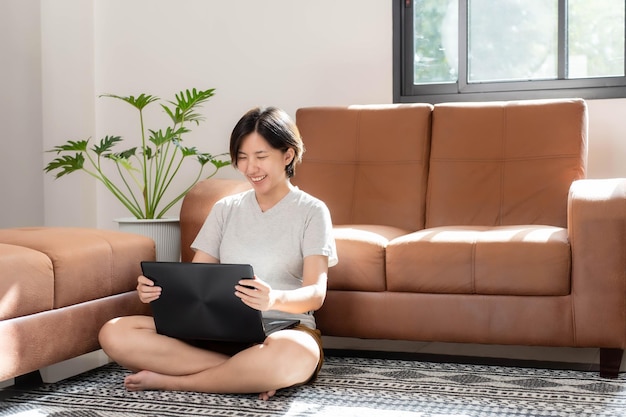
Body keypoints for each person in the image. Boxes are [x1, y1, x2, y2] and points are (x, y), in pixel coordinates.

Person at [98, 106, 338, 401]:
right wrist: (161, 291)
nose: (251, 168)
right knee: (115, 332)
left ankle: (174, 381)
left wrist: (274, 298)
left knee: (293, 355)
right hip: (219, 330)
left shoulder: (311, 211)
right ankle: (246, 375)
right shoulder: (226, 209)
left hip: (283, 331)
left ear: (287, 155)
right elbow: (198, 280)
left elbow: (315, 293)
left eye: (261, 156)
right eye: (242, 157)